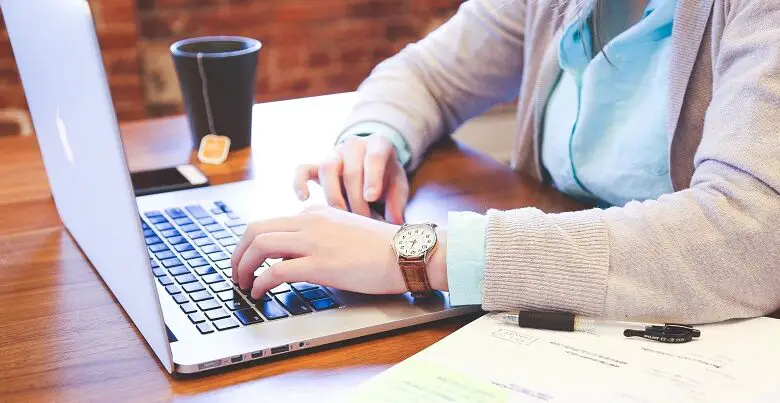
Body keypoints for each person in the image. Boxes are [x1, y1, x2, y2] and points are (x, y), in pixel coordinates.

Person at [231, 0, 780, 323]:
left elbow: (750, 236)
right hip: (570, 316)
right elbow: (427, 74)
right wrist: (375, 138)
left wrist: (417, 255)